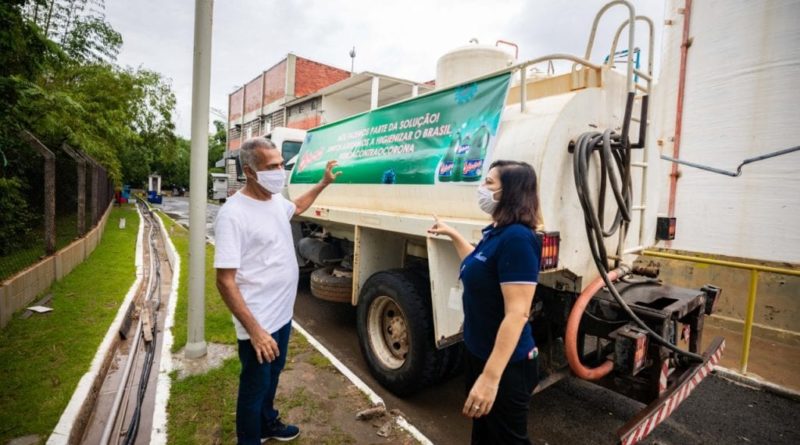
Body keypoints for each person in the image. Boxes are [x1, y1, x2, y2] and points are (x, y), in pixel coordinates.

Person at [214, 137, 340, 444]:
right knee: (255, 386)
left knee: (273, 375)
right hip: (259, 320)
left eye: (281, 164)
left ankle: (268, 423)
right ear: (249, 170)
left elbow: (297, 206)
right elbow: (225, 280)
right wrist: (255, 331)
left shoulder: (274, 201)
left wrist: (323, 182)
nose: (280, 171)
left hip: (282, 314)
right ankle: (249, 439)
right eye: (272, 167)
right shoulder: (233, 214)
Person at [428, 160, 542, 444]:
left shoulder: (517, 238)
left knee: (507, 439)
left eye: (489, 183)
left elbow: (517, 314)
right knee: (484, 435)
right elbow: (476, 264)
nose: (481, 188)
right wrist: (452, 232)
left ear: (510, 192)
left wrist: (490, 379)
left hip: (508, 365)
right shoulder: (497, 231)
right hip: (480, 354)